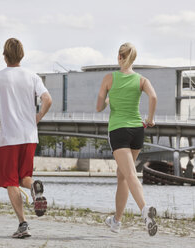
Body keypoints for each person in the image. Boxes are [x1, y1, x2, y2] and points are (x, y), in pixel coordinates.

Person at [0, 38, 52, 239]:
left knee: (11, 181)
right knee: (23, 177)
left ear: (4, 56)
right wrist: (37, 118)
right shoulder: (33, 76)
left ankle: (22, 223)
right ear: (22, 55)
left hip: (9, 138)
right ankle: (34, 187)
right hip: (29, 136)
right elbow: (48, 99)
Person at [96, 42, 158, 236]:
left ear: (119, 57)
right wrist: (150, 119)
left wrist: (107, 100)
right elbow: (153, 97)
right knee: (122, 175)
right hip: (137, 130)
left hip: (119, 130)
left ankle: (145, 211)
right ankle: (116, 221)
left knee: (130, 174)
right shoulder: (141, 80)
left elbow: (98, 107)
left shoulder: (109, 78)